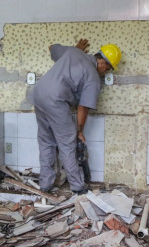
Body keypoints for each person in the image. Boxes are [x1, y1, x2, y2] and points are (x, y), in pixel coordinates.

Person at [27, 39, 122, 195]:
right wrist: (79, 132)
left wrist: (74, 49)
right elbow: (83, 107)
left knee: (46, 140)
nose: (106, 72)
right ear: (102, 62)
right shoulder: (93, 76)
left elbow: (52, 48)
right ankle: (78, 187)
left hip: (38, 94)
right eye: (108, 68)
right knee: (67, 144)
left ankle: (45, 184)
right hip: (56, 100)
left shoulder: (73, 52)